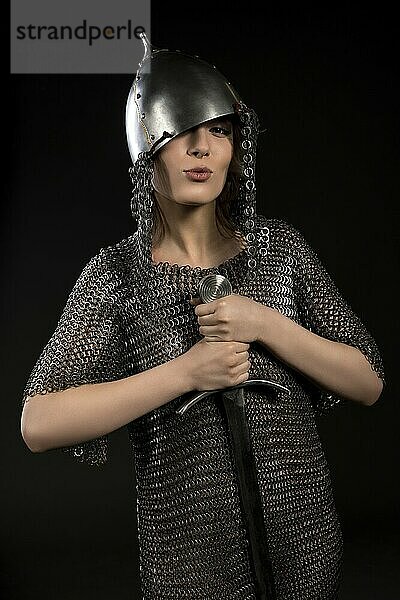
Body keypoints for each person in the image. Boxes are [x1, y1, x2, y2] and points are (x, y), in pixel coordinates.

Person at [20, 33, 384, 599]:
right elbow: (39, 423)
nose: (202, 148)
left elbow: (368, 383)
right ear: (149, 148)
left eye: (219, 130)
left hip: (303, 549)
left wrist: (265, 324)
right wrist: (187, 373)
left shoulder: (278, 253)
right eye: (183, 131)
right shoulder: (120, 277)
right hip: (193, 565)